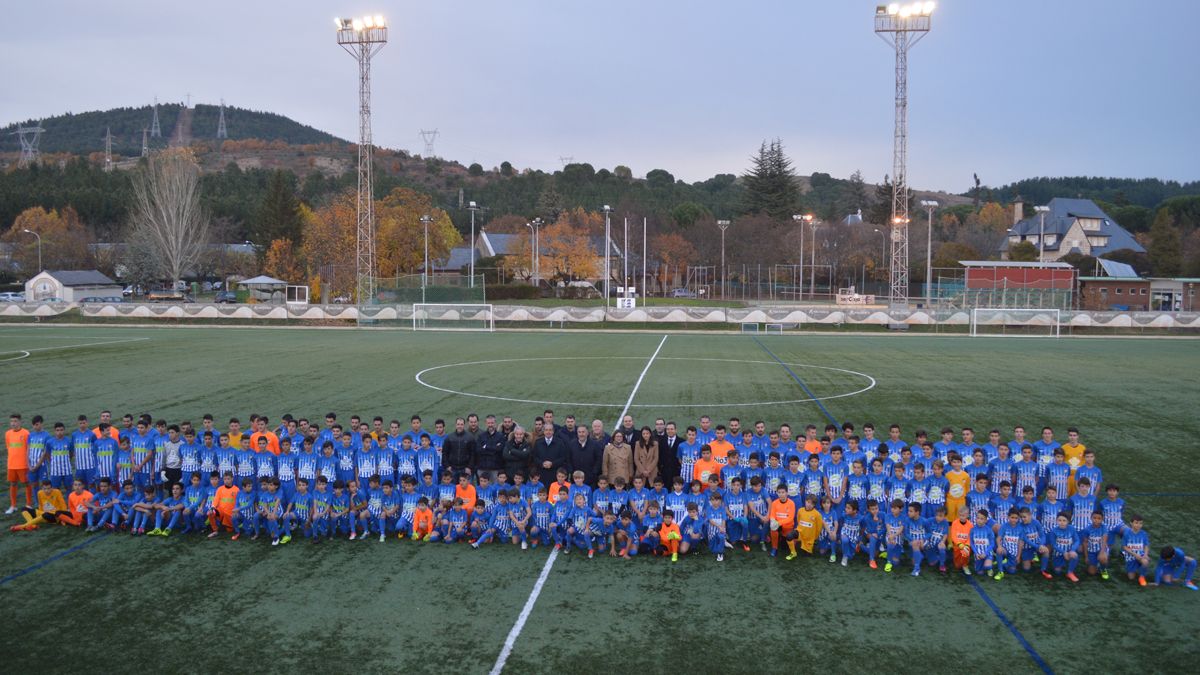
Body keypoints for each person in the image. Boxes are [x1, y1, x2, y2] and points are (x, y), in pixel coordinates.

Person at [6, 413, 31, 513]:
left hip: (23, 464)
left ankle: (29, 504)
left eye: (15, 421)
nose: (13, 423)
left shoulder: (26, 433)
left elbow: (28, 449)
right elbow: (8, 447)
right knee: (13, 483)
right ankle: (13, 505)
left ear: (20, 422)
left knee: (26, 483)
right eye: (12, 421)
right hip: (11, 464)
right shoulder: (8, 433)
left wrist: (28, 462)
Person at [768, 484, 798, 559]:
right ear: (777, 493)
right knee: (773, 528)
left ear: (787, 493)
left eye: (783, 492)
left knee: (784, 547)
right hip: (778, 526)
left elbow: (790, 518)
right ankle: (774, 547)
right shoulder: (775, 503)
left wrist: (779, 523)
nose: (781, 494)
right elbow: (772, 515)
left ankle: (784, 538)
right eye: (779, 492)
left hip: (787, 527)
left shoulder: (791, 503)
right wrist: (773, 521)